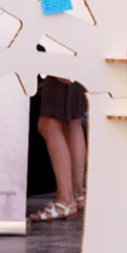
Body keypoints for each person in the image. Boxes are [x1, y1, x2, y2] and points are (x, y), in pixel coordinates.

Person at [30, 77, 88, 222]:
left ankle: (65, 200)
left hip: (62, 57)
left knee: (48, 123)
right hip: (76, 59)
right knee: (72, 120)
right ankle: (75, 194)